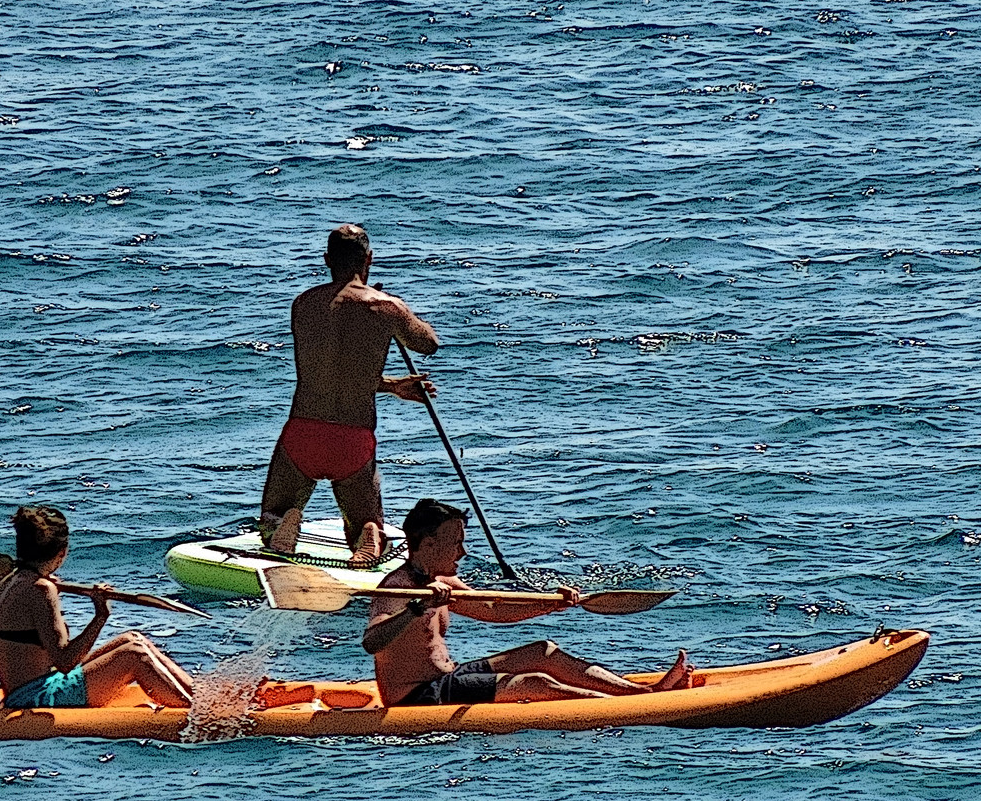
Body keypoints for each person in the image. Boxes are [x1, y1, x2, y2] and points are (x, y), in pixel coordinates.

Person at [362, 499, 692, 706]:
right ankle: (628, 710)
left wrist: (549, 604)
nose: (462, 552)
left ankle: (643, 694)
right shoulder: (395, 588)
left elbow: (493, 609)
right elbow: (372, 641)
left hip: (449, 676)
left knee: (543, 652)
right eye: (456, 543)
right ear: (430, 544)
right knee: (533, 684)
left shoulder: (442, 582)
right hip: (416, 695)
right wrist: (414, 610)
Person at [260, 223, 441, 567]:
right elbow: (428, 344)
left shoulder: (303, 305)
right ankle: (369, 532)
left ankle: (283, 524)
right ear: (369, 258)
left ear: (327, 259)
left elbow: (328, 372)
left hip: (303, 432)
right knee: (361, 523)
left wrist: (390, 385)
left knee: (272, 513)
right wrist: (395, 312)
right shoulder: (386, 307)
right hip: (353, 438)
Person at [0, 506, 195, 709]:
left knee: (132, 639)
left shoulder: (10, 581)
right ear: (62, 552)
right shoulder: (41, 589)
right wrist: (100, 616)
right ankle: (195, 713)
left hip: (37, 686)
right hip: (36, 697)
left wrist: (46, 583)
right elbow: (66, 661)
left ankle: (198, 697)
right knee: (134, 653)